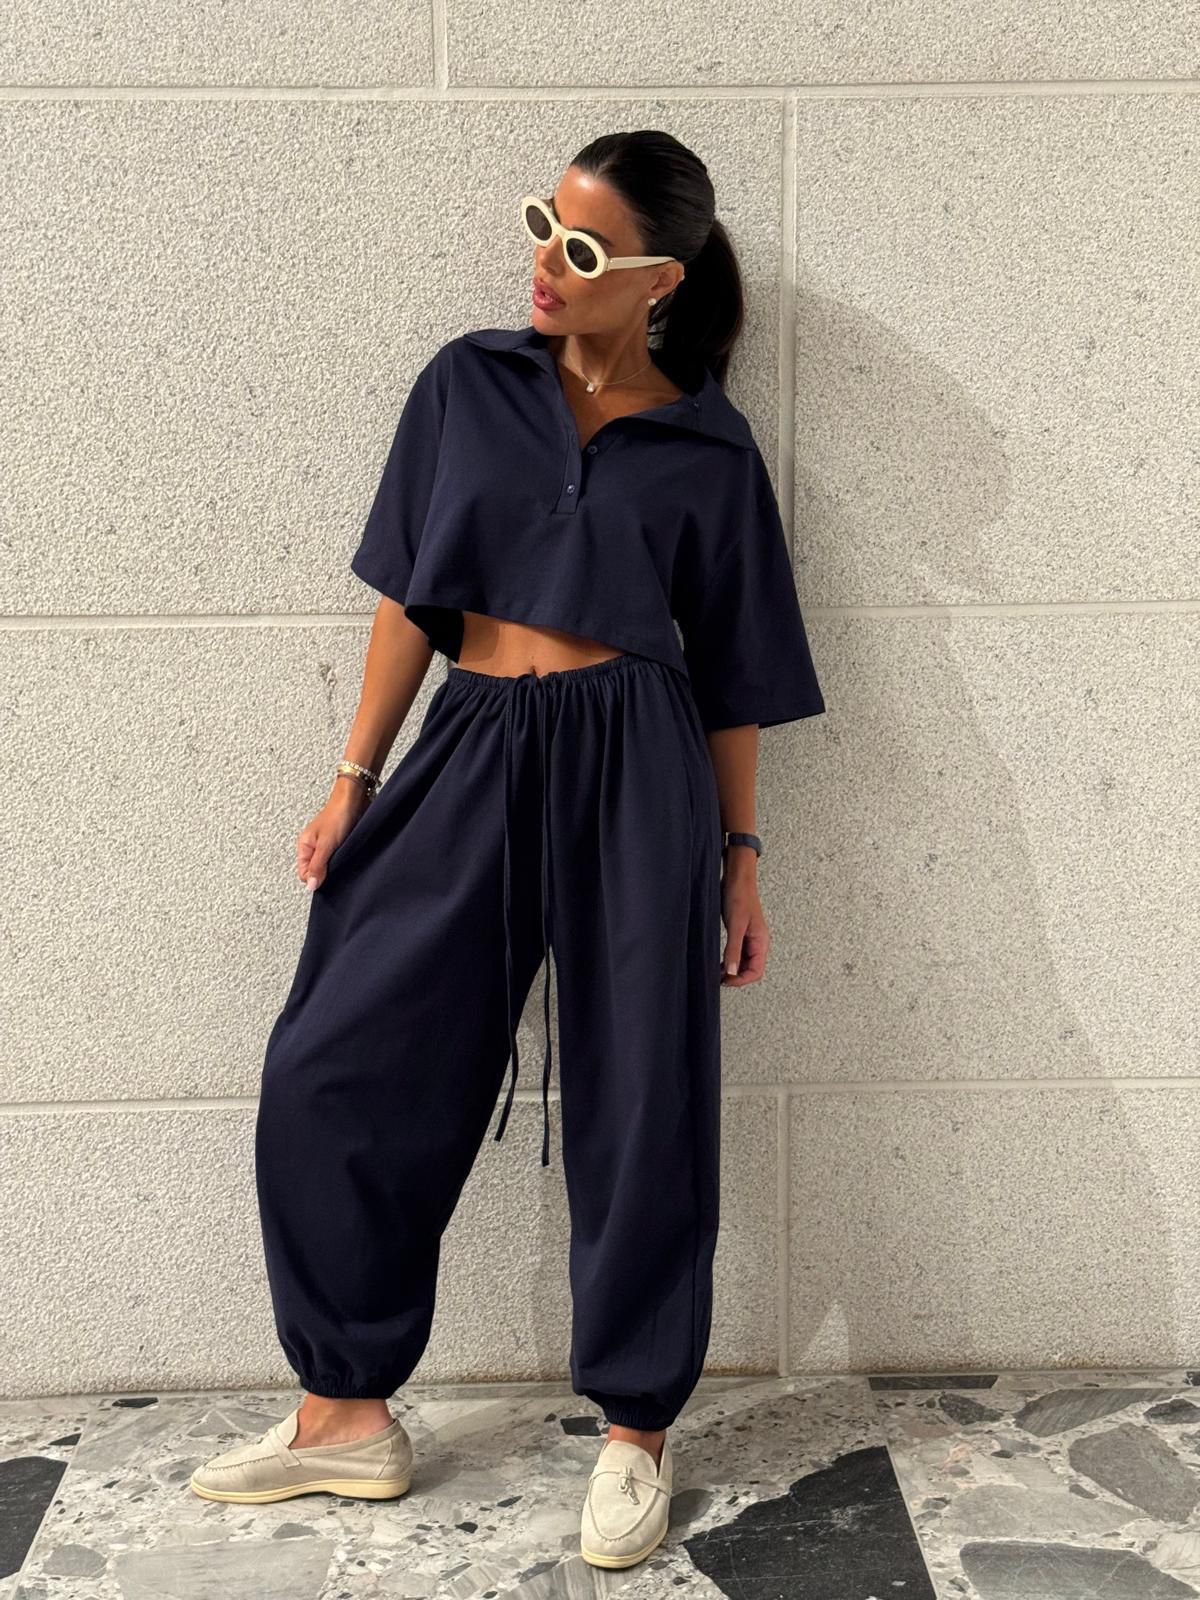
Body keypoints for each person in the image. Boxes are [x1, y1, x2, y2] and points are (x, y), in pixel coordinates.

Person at [190, 128, 826, 1570]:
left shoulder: (711, 449)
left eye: (584, 247)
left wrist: (740, 855)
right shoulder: (465, 385)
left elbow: (731, 676)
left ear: (659, 281)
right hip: (470, 743)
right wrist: (353, 780)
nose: (547, 261)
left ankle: (636, 1430)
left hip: (639, 765)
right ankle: (345, 1412)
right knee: (332, 1064)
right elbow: (411, 597)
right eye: (545, 222)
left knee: (641, 1095)